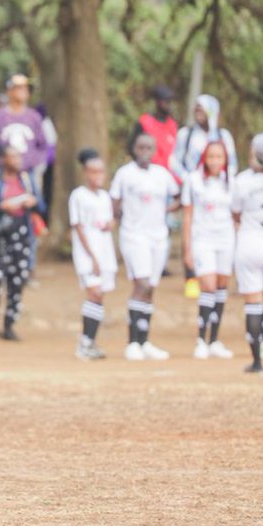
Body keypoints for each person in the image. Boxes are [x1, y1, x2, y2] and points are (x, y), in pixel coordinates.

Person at [110, 133, 180, 361]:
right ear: (134, 149)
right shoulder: (125, 173)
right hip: (134, 235)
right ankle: (132, 342)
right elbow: (115, 200)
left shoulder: (162, 174)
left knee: (150, 286)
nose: (145, 152)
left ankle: (144, 340)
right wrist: (119, 218)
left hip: (158, 237)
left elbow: (179, 196)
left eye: (149, 147)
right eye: (141, 147)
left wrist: (166, 211)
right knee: (140, 283)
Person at [0, 145, 45, 342]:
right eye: (12, 157)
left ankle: (9, 325)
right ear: (3, 160)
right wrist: (0, 206)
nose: (17, 160)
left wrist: (33, 202)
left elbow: (42, 205)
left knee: (17, 280)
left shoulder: (27, 179)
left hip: (21, 236)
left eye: (18, 156)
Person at [183, 140, 236, 360]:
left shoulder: (231, 181)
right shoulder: (194, 181)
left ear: (225, 159)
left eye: (219, 157)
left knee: (222, 287)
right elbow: (188, 215)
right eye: (211, 156)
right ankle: (200, 339)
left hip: (226, 239)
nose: (215, 161)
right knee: (208, 286)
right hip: (203, 239)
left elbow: (236, 213)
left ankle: (214, 339)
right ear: (204, 157)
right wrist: (187, 249)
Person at [69, 149, 118, 360]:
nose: (97, 176)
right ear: (85, 173)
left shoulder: (105, 197)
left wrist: (110, 225)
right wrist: (92, 257)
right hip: (88, 254)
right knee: (94, 293)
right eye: (93, 172)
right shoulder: (78, 196)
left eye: (101, 172)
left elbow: (107, 222)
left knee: (100, 297)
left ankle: (91, 341)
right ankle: (84, 343)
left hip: (105, 251)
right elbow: (78, 227)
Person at [232, 134, 263, 373]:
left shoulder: (242, 181)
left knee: (253, 304)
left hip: (250, 243)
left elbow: (235, 213)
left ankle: (256, 361)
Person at [0, 74, 47, 175]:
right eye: (19, 88)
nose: (23, 91)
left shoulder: (34, 117)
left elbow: (42, 145)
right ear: (9, 91)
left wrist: (34, 163)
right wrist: (1, 162)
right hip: (4, 173)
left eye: (26, 88)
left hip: (29, 172)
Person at [131, 84, 179, 174]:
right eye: (166, 101)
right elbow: (132, 147)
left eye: (170, 101)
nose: (169, 104)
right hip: (147, 172)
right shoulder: (144, 122)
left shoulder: (173, 125)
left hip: (169, 174)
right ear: (158, 102)